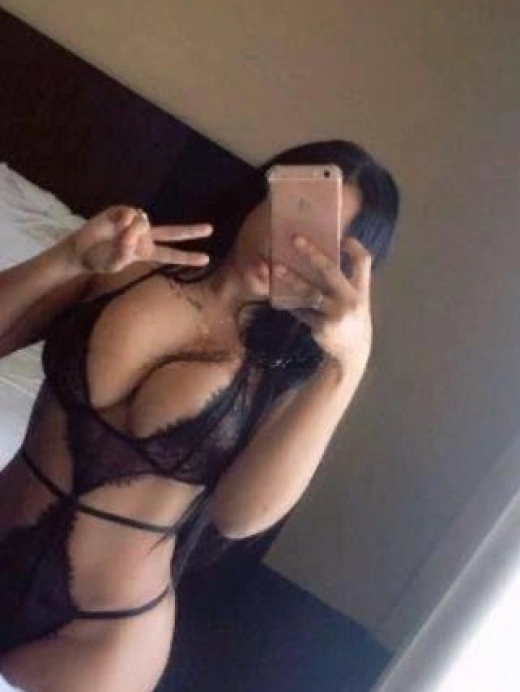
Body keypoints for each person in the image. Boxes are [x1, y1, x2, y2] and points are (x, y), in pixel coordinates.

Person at [0, 140, 400, 691]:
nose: (294, 248)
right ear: (264, 195)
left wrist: (348, 364)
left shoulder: (292, 373)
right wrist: (65, 258)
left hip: (100, 635)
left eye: (323, 247)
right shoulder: (128, 262)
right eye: (298, 213)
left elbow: (239, 518)